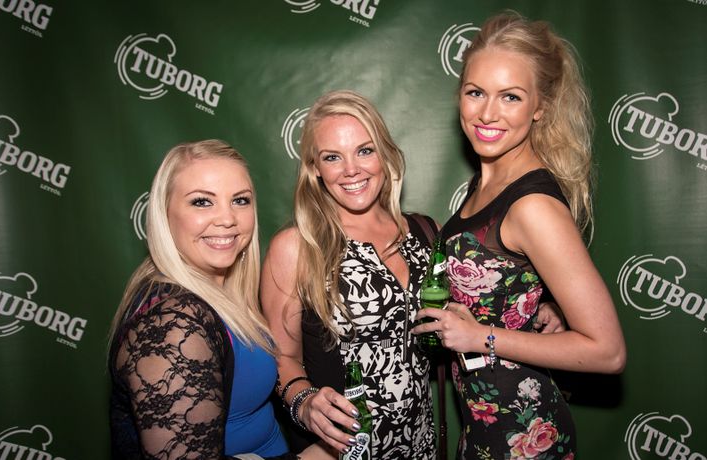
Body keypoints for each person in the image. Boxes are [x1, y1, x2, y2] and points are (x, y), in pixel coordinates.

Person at [260, 90, 565, 459]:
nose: (351, 169)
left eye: (364, 150)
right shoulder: (297, 247)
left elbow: (476, 306)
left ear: (384, 154)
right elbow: (281, 356)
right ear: (315, 169)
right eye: (332, 157)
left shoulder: (425, 232)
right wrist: (304, 402)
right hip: (342, 449)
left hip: (420, 445)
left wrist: (540, 305)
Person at [412, 12, 627, 459]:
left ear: (540, 107)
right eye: (475, 92)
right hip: (485, 428)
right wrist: (539, 303)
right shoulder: (489, 180)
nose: (487, 113)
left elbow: (607, 352)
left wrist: (480, 338)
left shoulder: (532, 205)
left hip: (525, 439)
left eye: (510, 96)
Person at [108, 140, 297, 460]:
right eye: (202, 202)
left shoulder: (222, 291)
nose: (227, 218)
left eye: (240, 200)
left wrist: (304, 403)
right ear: (164, 214)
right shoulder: (173, 327)